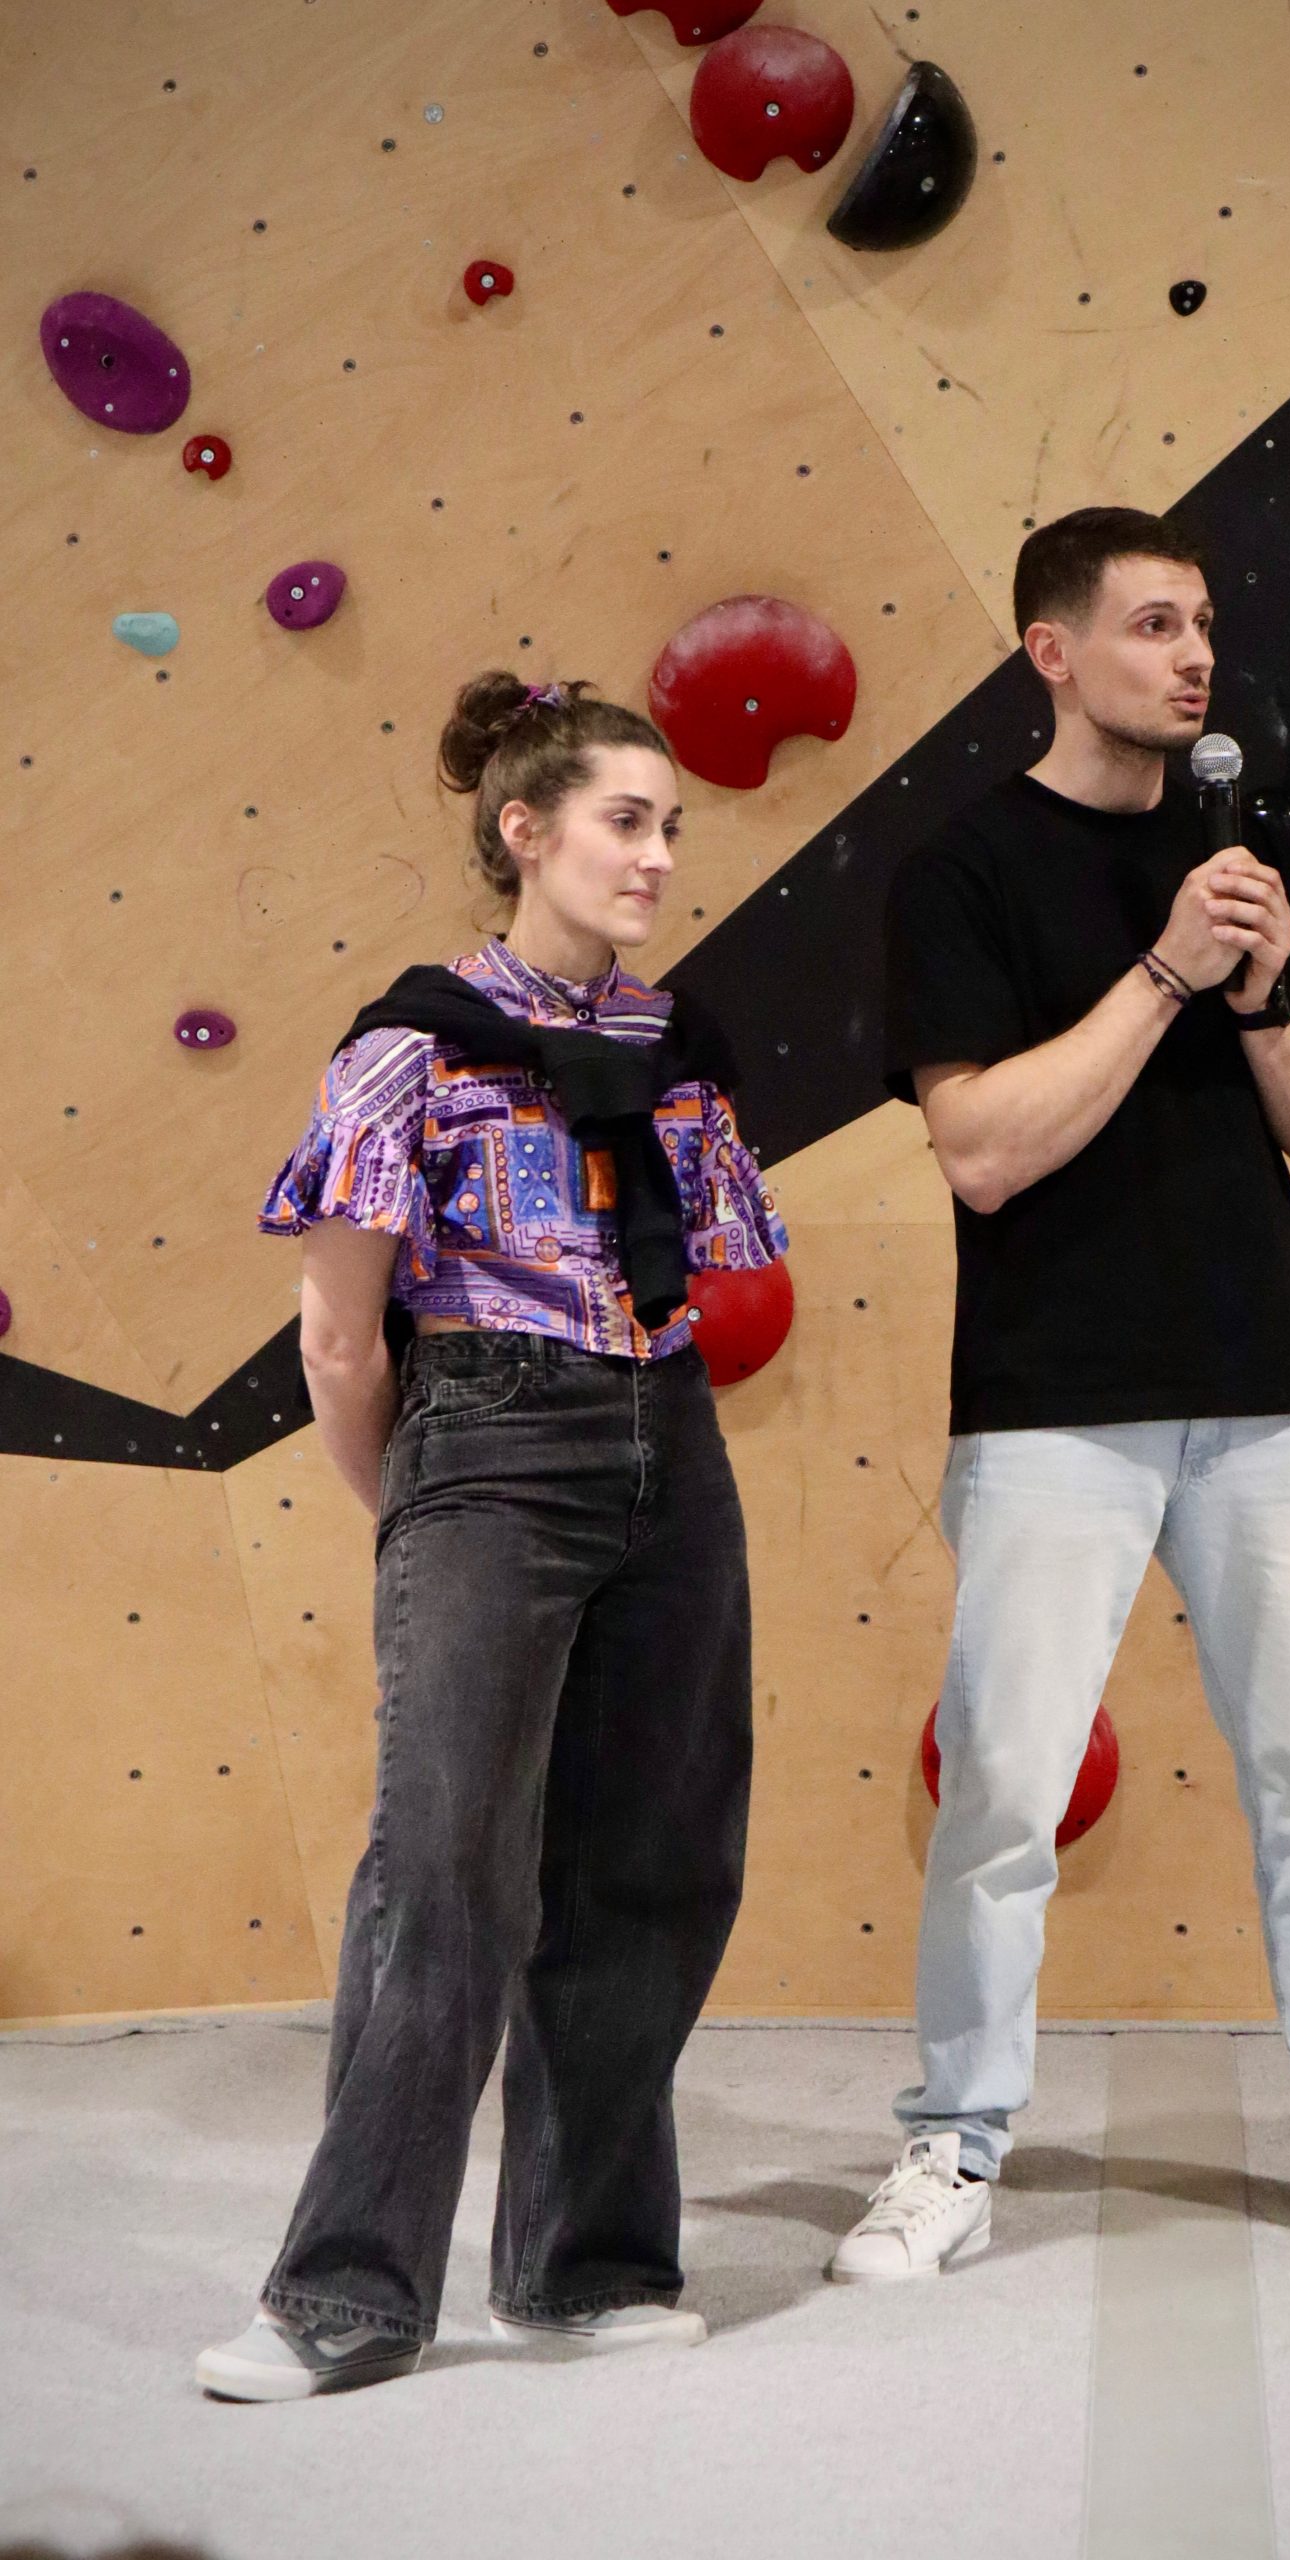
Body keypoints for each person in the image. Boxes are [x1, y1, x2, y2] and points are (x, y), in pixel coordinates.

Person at [831, 506, 1290, 2286]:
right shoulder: (962, 874)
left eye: (1204, 624)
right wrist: (1167, 971)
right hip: (1052, 1405)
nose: (1195, 657)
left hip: (1260, 1395)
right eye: (1153, 625)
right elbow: (981, 1151)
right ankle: (953, 2148)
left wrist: (1257, 1002)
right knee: (1003, 1797)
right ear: (1053, 652)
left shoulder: (1256, 860)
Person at [197, 675, 788, 2401]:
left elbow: (707, 1278)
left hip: (668, 1440)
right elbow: (338, 1338)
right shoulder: (412, 1045)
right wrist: (425, 1508)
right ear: (524, 832)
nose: (658, 856)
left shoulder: (678, 1046)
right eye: (626, 821)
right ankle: (342, 2294)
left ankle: (585, 2267)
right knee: (446, 1868)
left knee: (650, 1863)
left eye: (671, 827)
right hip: (485, 1434)